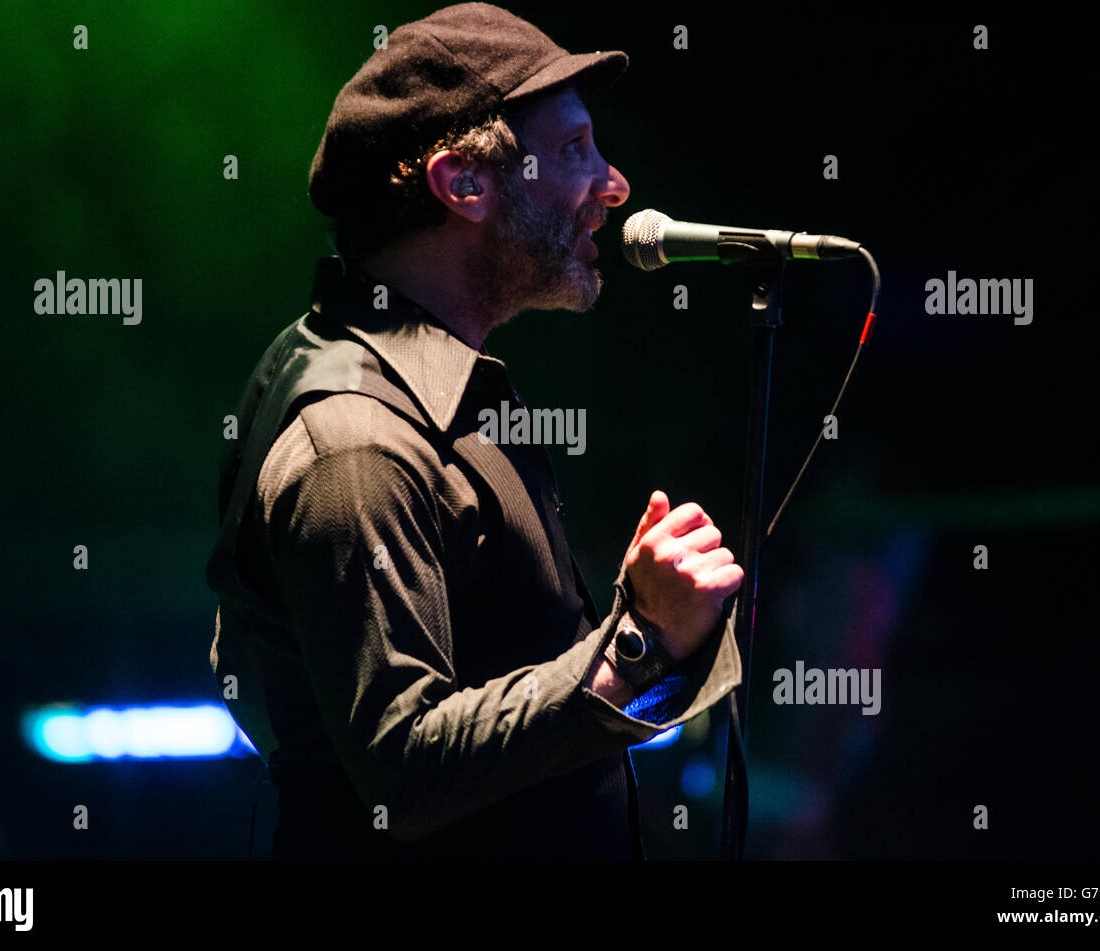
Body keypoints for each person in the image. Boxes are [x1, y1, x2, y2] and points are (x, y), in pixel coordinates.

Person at [206, 2, 744, 860]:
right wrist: (636, 642)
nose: (614, 185)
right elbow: (404, 766)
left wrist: (647, 630)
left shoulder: (431, 393)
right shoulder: (356, 443)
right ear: (464, 184)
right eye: (574, 151)